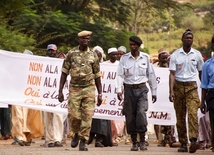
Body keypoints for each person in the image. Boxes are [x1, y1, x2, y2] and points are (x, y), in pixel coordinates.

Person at [58, 30, 103, 151]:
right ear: (79, 40)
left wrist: (100, 93)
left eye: (88, 39)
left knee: (88, 116)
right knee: (74, 115)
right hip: (74, 88)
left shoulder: (93, 55)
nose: (86, 41)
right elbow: (64, 73)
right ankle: (76, 133)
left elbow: (97, 75)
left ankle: (83, 140)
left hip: (89, 88)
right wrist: (60, 90)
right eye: (83, 39)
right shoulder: (71, 53)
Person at [116, 36, 157, 151]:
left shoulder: (145, 58)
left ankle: (142, 140)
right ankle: (134, 141)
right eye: (131, 45)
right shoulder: (124, 58)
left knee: (141, 114)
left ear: (139, 46)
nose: (132, 47)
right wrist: (119, 90)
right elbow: (119, 75)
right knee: (130, 116)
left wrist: (154, 91)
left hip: (142, 89)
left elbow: (151, 75)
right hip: (128, 90)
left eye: (135, 45)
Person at [169, 29, 204, 153]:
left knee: (193, 113)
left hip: (192, 87)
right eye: (187, 38)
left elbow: (201, 72)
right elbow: (172, 74)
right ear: (182, 39)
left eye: (191, 38)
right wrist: (171, 91)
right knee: (180, 116)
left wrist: (204, 87)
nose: (189, 40)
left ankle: (193, 140)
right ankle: (183, 143)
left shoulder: (197, 55)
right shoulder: (175, 55)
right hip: (178, 86)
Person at [11, 50, 44, 146]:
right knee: (18, 116)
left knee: (30, 117)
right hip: (17, 95)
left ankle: (28, 137)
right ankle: (20, 137)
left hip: (31, 95)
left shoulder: (35, 69)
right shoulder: (16, 69)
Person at [88, 46, 112, 147]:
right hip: (91, 94)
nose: (97, 56)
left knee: (103, 118)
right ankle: (90, 136)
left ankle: (100, 139)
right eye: (95, 54)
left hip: (104, 96)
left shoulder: (107, 67)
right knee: (91, 117)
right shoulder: (89, 66)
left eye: (99, 54)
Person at [42, 44, 64, 147]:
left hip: (57, 94)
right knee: (47, 117)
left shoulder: (61, 63)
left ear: (56, 51)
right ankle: (49, 139)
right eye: (49, 51)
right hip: (46, 94)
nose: (51, 52)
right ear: (47, 52)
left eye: (53, 51)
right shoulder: (43, 62)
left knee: (58, 116)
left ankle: (57, 139)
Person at [200, 35, 214, 152]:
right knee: (213, 120)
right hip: (212, 94)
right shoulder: (207, 65)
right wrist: (202, 102)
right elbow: (204, 85)